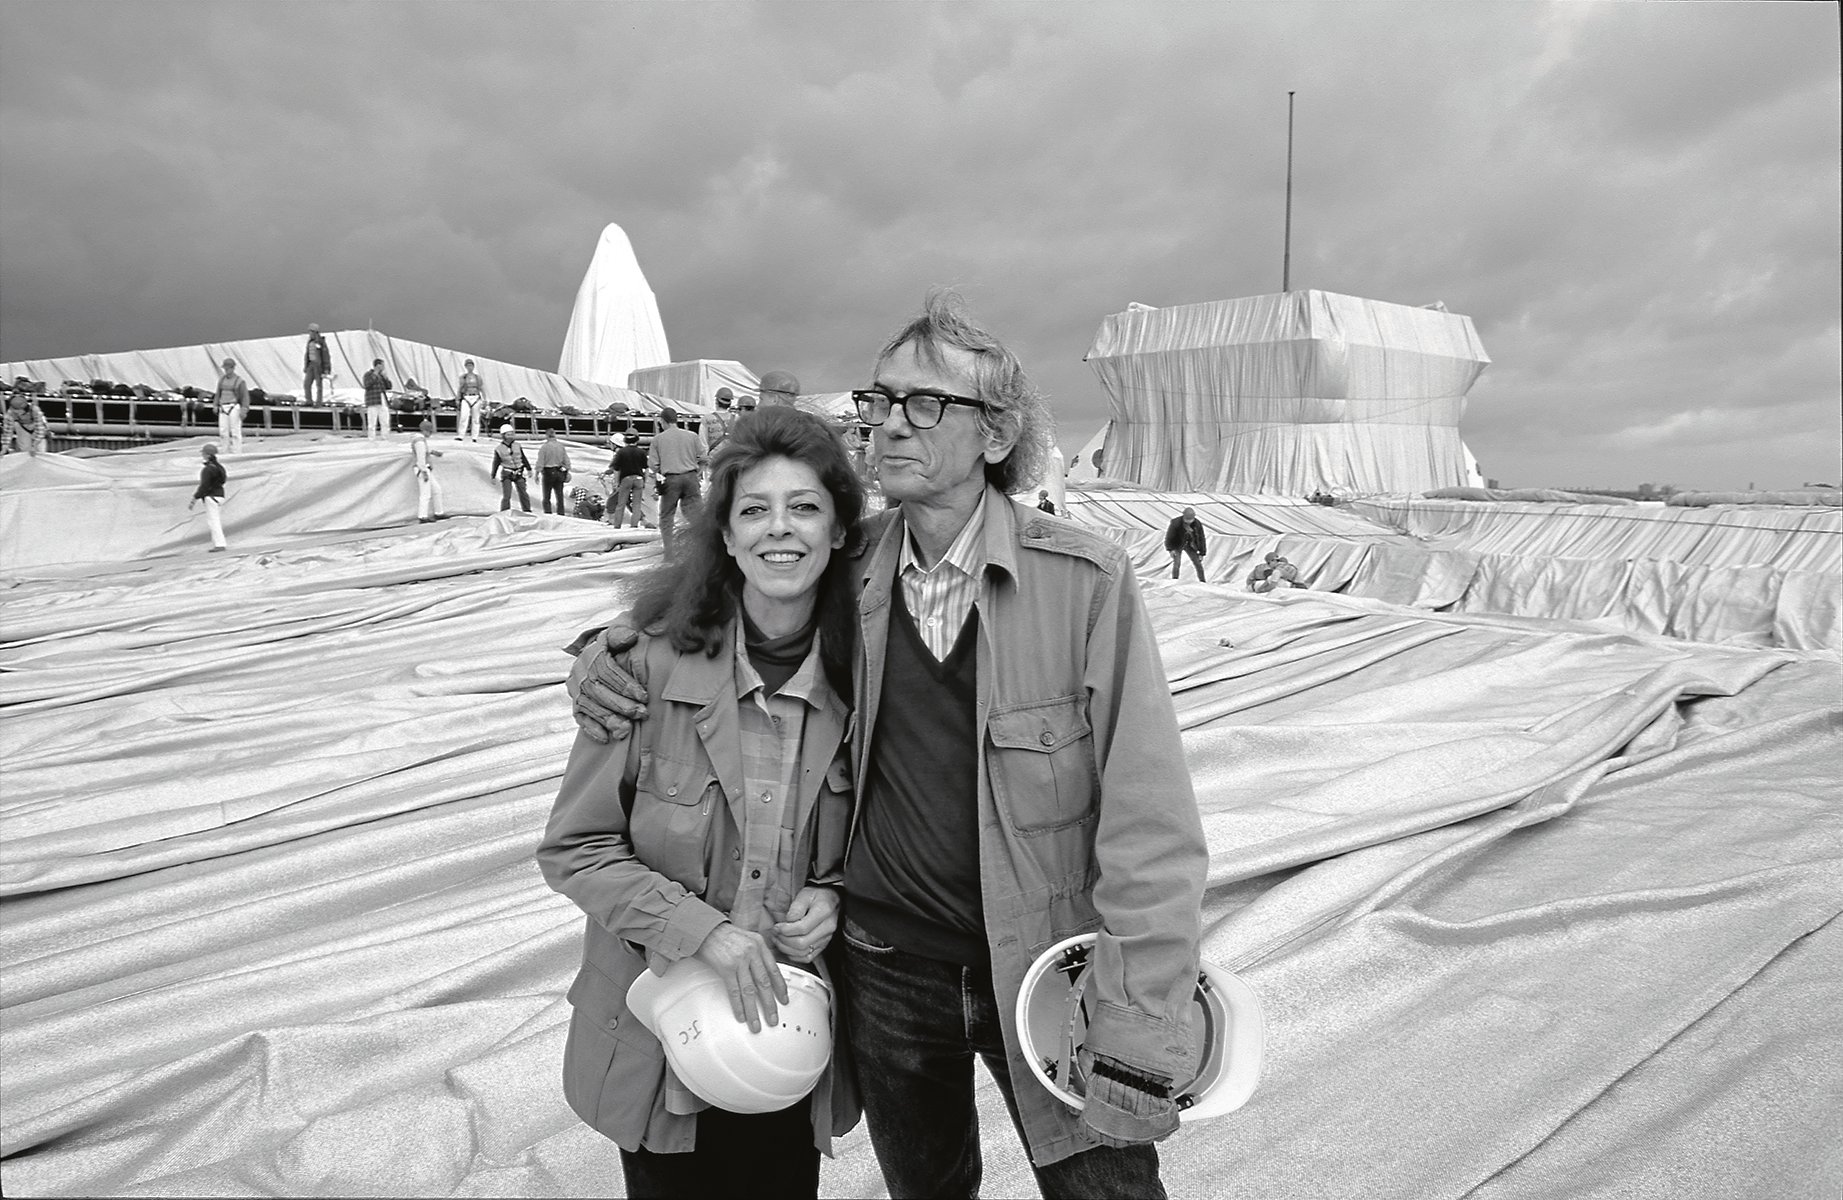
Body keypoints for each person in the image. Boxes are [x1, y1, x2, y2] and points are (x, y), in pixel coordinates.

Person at [570, 292, 1208, 1199]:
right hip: (887, 970)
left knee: (1105, 1189)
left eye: (925, 404)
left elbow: (1151, 816)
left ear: (996, 435)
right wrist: (602, 654)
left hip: (1045, 960)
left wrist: (1144, 1013)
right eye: (880, 401)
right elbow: (720, 600)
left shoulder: (1084, 583)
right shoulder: (845, 564)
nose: (889, 426)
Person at [536, 406, 867, 1200]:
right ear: (722, 535)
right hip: (661, 1045)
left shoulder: (872, 687)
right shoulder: (643, 671)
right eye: (753, 509)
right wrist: (703, 933)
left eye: (804, 507)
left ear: (841, 532)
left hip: (790, 1038)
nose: (778, 531)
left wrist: (838, 894)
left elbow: (897, 836)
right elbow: (574, 849)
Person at [648, 406, 707, 558]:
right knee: (696, 516)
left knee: (667, 516)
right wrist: (699, 470)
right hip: (690, 478)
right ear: (676, 420)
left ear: (662, 421)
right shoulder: (692, 436)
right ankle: (703, 550)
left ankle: (669, 554)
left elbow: (653, 465)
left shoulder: (658, 439)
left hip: (671, 480)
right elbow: (703, 456)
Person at [187, 442, 229, 552]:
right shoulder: (220, 468)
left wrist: (195, 498)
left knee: (213, 521)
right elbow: (223, 480)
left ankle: (219, 544)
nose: (203, 456)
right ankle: (220, 543)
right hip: (220, 495)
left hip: (211, 497)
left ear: (208, 455)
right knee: (216, 520)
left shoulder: (207, 469)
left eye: (204, 454)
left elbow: (204, 486)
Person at [603, 431, 650, 528]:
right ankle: (637, 524)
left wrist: (616, 481)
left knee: (616, 502)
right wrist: (645, 480)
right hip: (639, 479)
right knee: (635, 504)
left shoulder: (620, 453)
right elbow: (646, 468)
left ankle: (615, 523)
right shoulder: (641, 452)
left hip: (625, 480)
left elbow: (616, 468)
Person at [490, 424, 533, 512]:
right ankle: (505, 511)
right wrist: (493, 476)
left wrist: (529, 468)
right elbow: (496, 463)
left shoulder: (517, 445)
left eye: (512, 434)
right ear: (503, 436)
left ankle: (527, 510)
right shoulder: (499, 449)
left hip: (519, 471)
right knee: (507, 495)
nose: (511, 436)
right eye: (508, 434)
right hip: (507, 473)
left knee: (523, 493)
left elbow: (523, 457)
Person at [410, 419, 446, 523]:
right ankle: (422, 516)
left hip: (424, 468)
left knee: (436, 490)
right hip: (422, 469)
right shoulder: (420, 441)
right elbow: (420, 457)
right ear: (425, 431)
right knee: (425, 493)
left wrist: (432, 452)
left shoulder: (419, 440)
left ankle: (439, 512)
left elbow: (423, 452)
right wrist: (424, 471)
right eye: (430, 432)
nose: (430, 434)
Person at [214, 359, 250, 455]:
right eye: (225, 368)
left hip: (233, 407)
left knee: (235, 432)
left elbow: (245, 396)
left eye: (228, 368)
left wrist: (244, 409)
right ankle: (225, 452)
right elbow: (218, 394)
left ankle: (237, 453)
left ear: (232, 368)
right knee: (223, 432)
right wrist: (215, 405)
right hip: (223, 407)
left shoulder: (240, 381)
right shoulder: (221, 380)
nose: (226, 370)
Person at [1164, 506, 1206, 581]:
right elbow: (1169, 536)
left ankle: (1203, 581)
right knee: (1177, 563)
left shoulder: (1197, 524)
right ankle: (1175, 580)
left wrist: (1202, 553)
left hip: (1191, 544)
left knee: (1198, 563)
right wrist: (1171, 549)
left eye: (1190, 520)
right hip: (1177, 544)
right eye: (1187, 520)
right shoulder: (1176, 523)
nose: (1189, 522)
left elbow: (1201, 538)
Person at [2, 391, 50, 457]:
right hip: (22, 428)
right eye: (15, 411)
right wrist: (5, 447)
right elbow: (7, 432)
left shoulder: (35, 411)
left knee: (40, 452)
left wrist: (34, 445)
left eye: (19, 411)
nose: (17, 413)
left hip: (36, 429)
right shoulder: (10, 414)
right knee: (25, 451)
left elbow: (40, 429)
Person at [538, 431, 573, 515]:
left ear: (546, 436)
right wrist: (567, 470)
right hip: (559, 471)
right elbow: (566, 460)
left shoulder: (544, 447)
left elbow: (540, 461)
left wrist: (537, 472)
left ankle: (548, 513)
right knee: (559, 495)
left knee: (546, 495)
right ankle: (561, 513)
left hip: (548, 471)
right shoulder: (561, 446)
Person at [362, 359, 393, 440]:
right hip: (373, 400)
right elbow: (367, 385)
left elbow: (389, 387)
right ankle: (371, 438)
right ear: (378, 365)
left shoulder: (382, 376)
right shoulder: (368, 374)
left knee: (385, 420)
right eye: (382, 365)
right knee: (372, 421)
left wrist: (386, 378)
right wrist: (375, 374)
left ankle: (385, 437)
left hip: (382, 399)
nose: (383, 367)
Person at [456, 359, 485, 441]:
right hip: (466, 397)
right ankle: (461, 435)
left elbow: (481, 388)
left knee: (476, 418)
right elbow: (460, 388)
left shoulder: (477, 377)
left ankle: (475, 436)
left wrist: (484, 398)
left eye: (471, 365)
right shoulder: (463, 377)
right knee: (464, 416)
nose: (470, 367)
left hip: (475, 397)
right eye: (468, 366)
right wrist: (458, 398)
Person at [704, 387, 738, 455]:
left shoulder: (706, 419)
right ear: (730, 403)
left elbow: (703, 443)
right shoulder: (737, 419)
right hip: (731, 457)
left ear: (716, 401)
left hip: (713, 458)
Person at [303, 323, 331, 404]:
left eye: (311, 332)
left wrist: (326, 368)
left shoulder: (321, 342)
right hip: (310, 364)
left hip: (318, 365)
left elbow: (325, 355)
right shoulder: (310, 342)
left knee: (319, 385)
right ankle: (309, 401)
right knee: (307, 383)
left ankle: (319, 401)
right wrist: (306, 366)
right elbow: (307, 354)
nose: (310, 333)